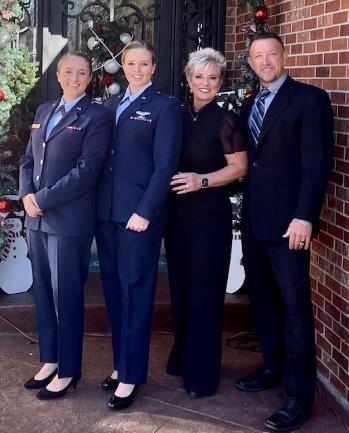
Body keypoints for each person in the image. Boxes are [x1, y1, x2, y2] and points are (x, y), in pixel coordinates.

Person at [236, 33, 333, 432]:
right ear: (251, 62)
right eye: (258, 56)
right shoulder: (249, 104)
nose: (265, 62)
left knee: (295, 309)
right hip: (256, 222)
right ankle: (272, 369)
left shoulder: (310, 100)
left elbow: (317, 164)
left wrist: (305, 216)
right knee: (263, 303)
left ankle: (299, 397)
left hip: (290, 224)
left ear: (283, 56)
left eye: (271, 54)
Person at [19, 51, 112, 399]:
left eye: (83, 73)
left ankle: (69, 369)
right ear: (58, 75)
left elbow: (86, 172)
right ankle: (50, 359)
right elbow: (28, 160)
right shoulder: (44, 111)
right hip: (36, 220)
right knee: (43, 292)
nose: (75, 78)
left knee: (67, 297)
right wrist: (27, 195)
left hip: (68, 221)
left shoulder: (96, 116)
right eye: (69, 72)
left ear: (90, 78)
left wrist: (42, 200)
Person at [96, 40, 182, 410]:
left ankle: (131, 377)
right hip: (107, 214)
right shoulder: (111, 105)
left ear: (153, 67)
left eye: (143, 64)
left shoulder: (165, 107)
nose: (136, 69)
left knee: (136, 293)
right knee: (114, 294)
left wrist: (145, 210)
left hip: (138, 218)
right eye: (130, 63)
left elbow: (166, 165)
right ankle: (121, 365)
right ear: (122, 65)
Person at [164, 48, 247, 399]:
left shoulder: (226, 120)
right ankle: (183, 357)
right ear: (188, 79)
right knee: (181, 287)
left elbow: (239, 167)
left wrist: (202, 180)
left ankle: (203, 373)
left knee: (205, 290)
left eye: (213, 78)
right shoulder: (176, 116)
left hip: (209, 215)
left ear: (220, 82)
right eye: (199, 77)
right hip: (177, 215)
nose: (206, 83)